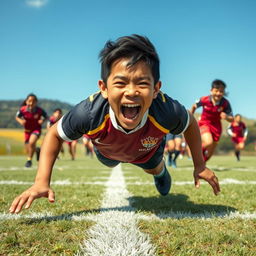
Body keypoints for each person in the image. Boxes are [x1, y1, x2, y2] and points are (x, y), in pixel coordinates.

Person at [9, 34, 220, 214]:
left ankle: (161, 172)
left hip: (146, 152)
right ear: (104, 88)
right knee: (109, 161)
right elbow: (54, 134)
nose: (131, 91)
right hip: (107, 153)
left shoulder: (166, 110)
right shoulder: (89, 113)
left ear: (156, 89)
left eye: (142, 83)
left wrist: (199, 164)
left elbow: (190, 123)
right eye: (120, 83)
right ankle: (133, 162)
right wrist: (41, 181)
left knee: (154, 169)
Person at [191, 80, 233, 162]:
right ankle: (194, 152)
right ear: (211, 90)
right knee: (208, 142)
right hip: (204, 123)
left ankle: (202, 163)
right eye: (216, 91)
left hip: (217, 127)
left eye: (221, 91)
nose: (218, 93)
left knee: (210, 153)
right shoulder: (205, 99)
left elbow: (232, 118)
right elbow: (194, 106)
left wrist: (226, 117)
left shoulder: (225, 103)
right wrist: (191, 117)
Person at [15, 93, 48, 168]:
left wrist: (42, 120)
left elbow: (46, 117)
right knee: (29, 149)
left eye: (33, 101)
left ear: (36, 102)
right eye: (29, 101)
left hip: (36, 130)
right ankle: (37, 150)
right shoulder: (22, 110)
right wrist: (21, 121)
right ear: (26, 101)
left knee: (31, 142)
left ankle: (29, 161)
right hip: (27, 131)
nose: (31, 103)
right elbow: (17, 117)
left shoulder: (39, 110)